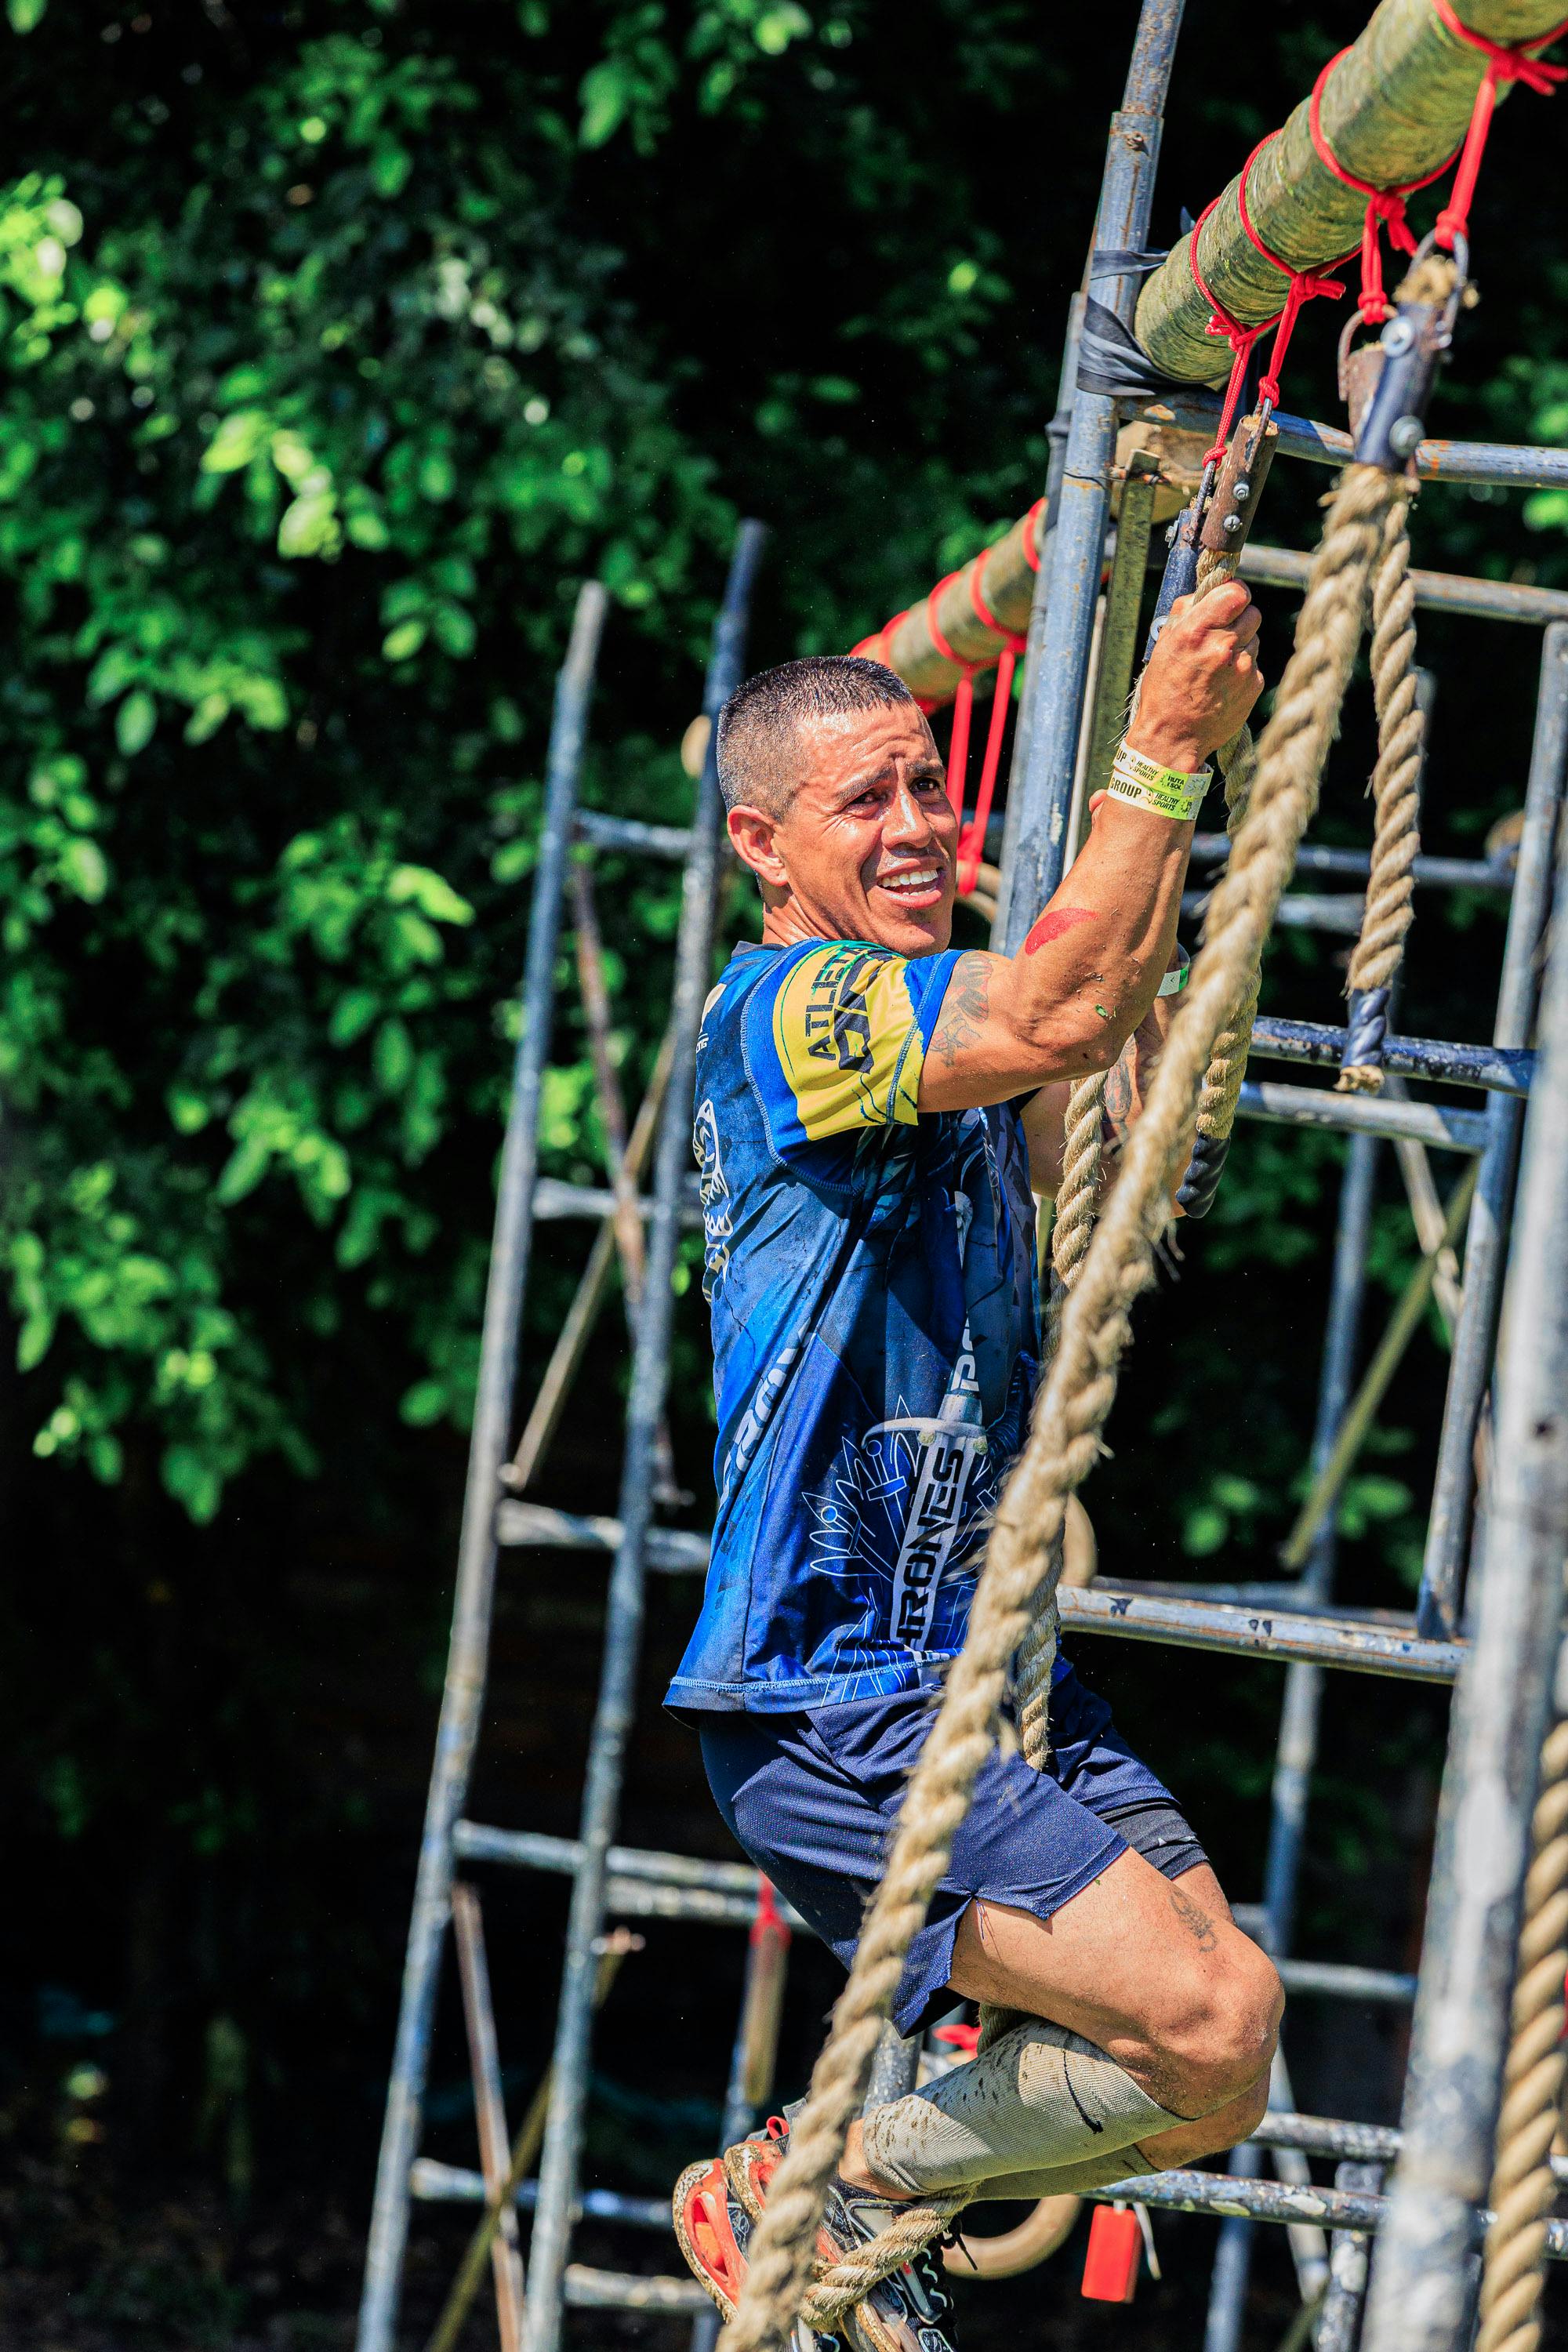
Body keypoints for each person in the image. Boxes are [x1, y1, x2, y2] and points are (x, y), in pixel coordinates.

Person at [668, 586, 1281, 2352]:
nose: (923, 825)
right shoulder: (781, 1015)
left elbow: (1101, 1056)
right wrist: (1157, 749)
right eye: (866, 802)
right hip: (829, 1696)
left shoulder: (923, 1026)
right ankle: (824, 2182)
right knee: (1200, 2023)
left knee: (1223, 2051)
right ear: (760, 847)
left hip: (981, 1673)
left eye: (928, 784)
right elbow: (1061, 1018)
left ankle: (839, 2176)